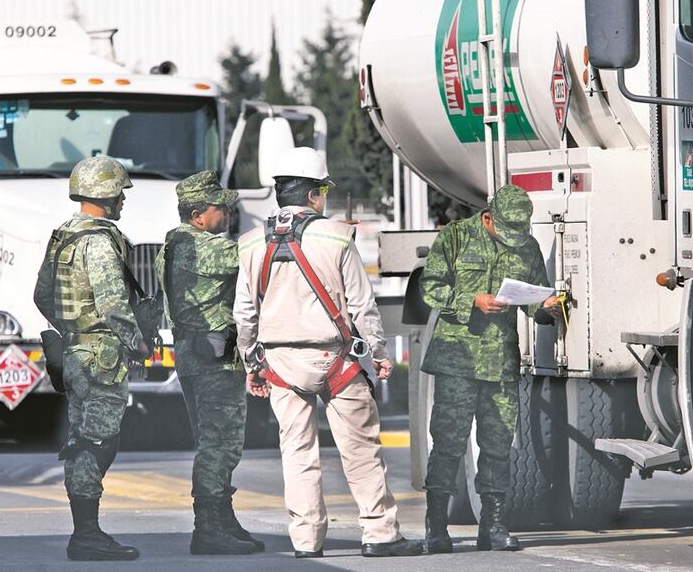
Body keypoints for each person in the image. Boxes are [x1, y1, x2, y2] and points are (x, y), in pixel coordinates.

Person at [233, 146, 422, 559]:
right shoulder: (337, 236)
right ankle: (380, 534)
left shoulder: (248, 244)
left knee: (297, 454)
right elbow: (361, 305)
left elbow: (244, 315)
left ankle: (305, 541)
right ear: (315, 195)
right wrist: (375, 353)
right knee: (360, 449)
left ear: (280, 193)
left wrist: (252, 363)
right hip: (337, 360)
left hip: (280, 364)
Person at [420, 184, 561, 554]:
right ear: (490, 215)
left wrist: (546, 307)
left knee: (498, 446)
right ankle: (436, 527)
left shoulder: (526, 247)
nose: (514, 237)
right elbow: (430, 287)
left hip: (500, 363)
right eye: (507, 228)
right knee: (449, 445)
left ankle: (494, 525)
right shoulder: (456, 237)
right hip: (458, 362)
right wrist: (472, 301)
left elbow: (532, 302)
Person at [33, 155, 150, 562]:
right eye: (120, 192)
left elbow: (41, 295)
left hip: (73, 351)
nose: (123, 200)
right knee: (97, 441)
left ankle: (86, 530)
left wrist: (72, 328)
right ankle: (87, 534)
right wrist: (138, 343)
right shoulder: (100, 240)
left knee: (82, 438)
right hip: (101, 355)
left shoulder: (63, 235)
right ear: (105, 193)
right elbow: (114, 303)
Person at [154, 170, 262, 556]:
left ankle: (222, 518)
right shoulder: (202, 247)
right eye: (222, 208)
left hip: (195, 353)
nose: (229, 213)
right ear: (198, 214)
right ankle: (208, 528)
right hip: (212, 358)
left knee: (215, 441)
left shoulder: (173, 244)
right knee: (220, 444)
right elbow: (254, 255)